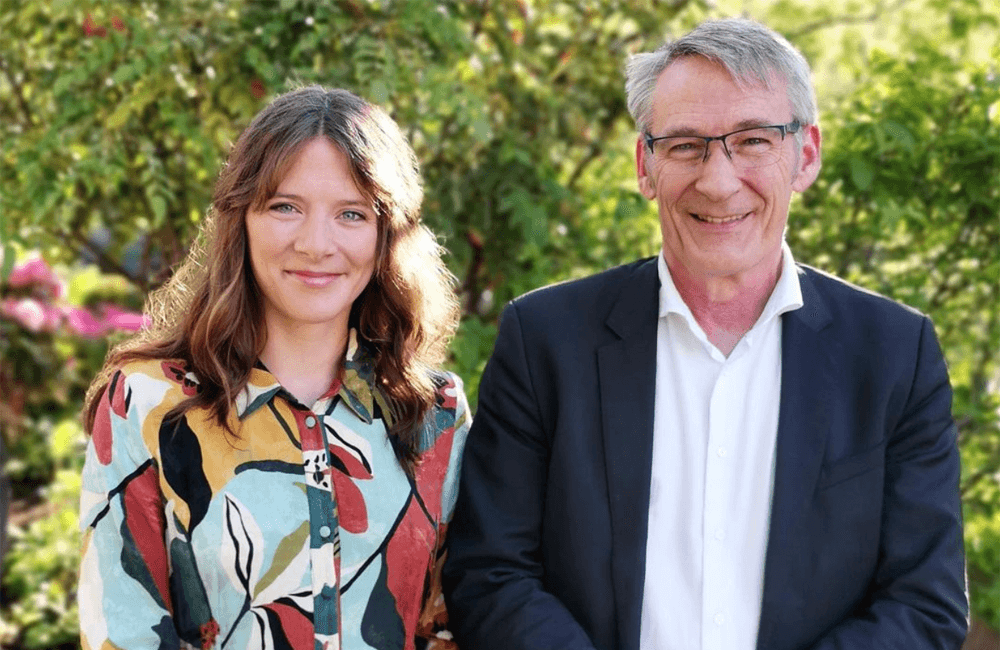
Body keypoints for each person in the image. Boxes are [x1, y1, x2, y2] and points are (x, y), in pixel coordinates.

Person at [442, 17, 967, 650]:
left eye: (752, 140)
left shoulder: (893, 355)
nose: (718, 181)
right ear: (645, 165)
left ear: (806, 154)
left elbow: (925, 604)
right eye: (686, 145)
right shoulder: (545, 342)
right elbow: (491, 575)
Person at [79, 86, 470, 650]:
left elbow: (450, 627)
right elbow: (121, 631)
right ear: (241, 219)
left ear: (388, 233)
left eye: (351, 214)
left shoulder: (434, 415)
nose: (316, 244)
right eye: (285, 206)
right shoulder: (147, 403)